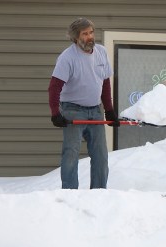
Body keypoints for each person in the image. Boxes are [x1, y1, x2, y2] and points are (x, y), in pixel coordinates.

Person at [48, 18, 120, 189]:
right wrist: (55, 113)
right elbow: (54, 87)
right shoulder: (68, 57)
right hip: (72, 111)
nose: (90, 37)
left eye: (91, 32)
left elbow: (105, 83)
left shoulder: (101, 52)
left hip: (95, 111)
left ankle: (99, 192)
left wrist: (109, 111)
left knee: (101, 156)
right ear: (76, 37)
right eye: (85, 34)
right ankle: (70, 194)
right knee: (71, 154)